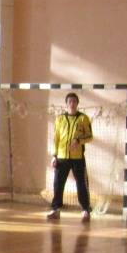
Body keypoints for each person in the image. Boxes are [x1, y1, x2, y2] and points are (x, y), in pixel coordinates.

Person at [47, 92, 93, 221]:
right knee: (58, 184)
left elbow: (90, 136)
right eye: (70, 102)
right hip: (61, 157)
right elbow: (55, 138)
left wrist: (78, 141)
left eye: (74, 101)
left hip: (78, 158)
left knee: (81, 184)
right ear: (66, 104)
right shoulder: (60, 119)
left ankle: (85, 209)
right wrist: (54, 155)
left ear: (77, 103)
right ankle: (55, 209)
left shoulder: (83, 118)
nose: (72, 104)